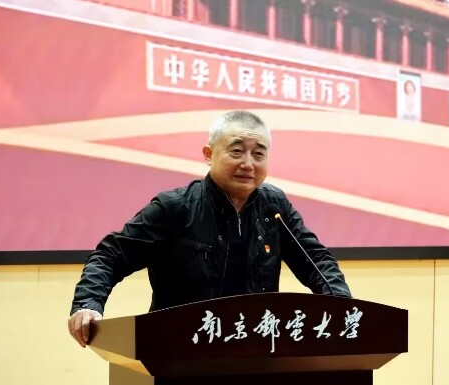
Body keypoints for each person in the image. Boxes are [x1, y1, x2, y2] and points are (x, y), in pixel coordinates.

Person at [67, 110, 352, 348]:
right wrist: (88, 304)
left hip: (255, 346)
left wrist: (344, 306)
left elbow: (315, 260)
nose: (248, 164)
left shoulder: (274, 206)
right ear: (209, 154)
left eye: (258, 154)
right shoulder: (174, 208)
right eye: (237, 151)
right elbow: (111, 255)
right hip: (180, 348)